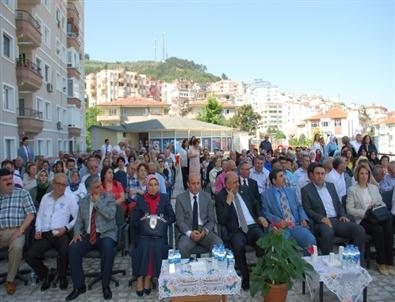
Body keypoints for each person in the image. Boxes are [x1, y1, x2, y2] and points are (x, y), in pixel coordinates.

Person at [66, 175, 118, 301]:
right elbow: (78, 221)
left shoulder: (109, 197)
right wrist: (77, 233)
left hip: (106, 233)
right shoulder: (83, 201)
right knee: (73, 249)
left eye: (100, 185)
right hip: (89, 235)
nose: (100, 188)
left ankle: (105, 285)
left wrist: (97, 203)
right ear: (89, 189)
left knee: (107, 249)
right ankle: (79, 286)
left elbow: (110, 215)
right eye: (96, 187)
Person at [215, 172, 268, 290]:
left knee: (263, 241)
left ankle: (263, 272)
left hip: (252, 226)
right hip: (236, 230)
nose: (237, 184)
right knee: (238, 246)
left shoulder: (245, 190)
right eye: (234, 183)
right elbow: (222, 220)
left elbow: (256, 205)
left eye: (237, 181)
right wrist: (228, 202)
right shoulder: (221, 196)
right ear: (226, 184)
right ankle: (245, 276)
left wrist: (260, 216)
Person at [25, 173, 78, 291]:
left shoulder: (70, 198)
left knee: (65, 250)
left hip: (61, 233)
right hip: (45, 233)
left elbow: (77, 218)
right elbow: (39, 215)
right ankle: (46, 274)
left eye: (64, 185)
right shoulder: (46, 197)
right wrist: (38, 229)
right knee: (29, 255)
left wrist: (66, 227)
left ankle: (63, 276)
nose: (61, 187)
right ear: (53, 183)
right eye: (59, 184)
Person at [301, 164, 366, 256]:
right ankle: (328, 264)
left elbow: (338, 204)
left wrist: (343, 215)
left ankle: (358, 262)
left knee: (359, 230)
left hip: (336, 220)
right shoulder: (306, 190)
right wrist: (321, 218)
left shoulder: (331, 186)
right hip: (321, 222)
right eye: (317, 173)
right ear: (312, 175)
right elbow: (307, 209)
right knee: (328, 232)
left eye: (322, 174)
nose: (320, 176)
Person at [131, 175, 175, 297]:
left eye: (156, 185)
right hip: (144, 234)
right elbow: (133, 220)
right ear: (147, 186)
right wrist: (143, 221)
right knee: (144, 245)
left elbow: (172, 216)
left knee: (157, 245)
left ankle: (149, 276)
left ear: (159, 186)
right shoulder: (140, 199)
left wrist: (162, 220)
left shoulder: (165, 198)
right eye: (150, 185)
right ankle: (140, 277)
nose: (153, 187)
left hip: (159, 235)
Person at [346, 165, 393, 275]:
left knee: (388, 227)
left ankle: (389, 262)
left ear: (369, 175)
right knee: (378, 229)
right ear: (357, 174)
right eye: (362, 173)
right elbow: (349, 209)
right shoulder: (352, 190)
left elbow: (382, 203)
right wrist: (365, 211)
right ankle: (381, 262)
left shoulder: (373, 187)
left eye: (366, 173)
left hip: (376, 215)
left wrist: (376, 206)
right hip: (364, 218)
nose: (364, 176)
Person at [261, 168, 316, 254]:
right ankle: (286, 266)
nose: (284, 178)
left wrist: (303, 218)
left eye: (284, 176)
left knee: (311, 240)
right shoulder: (266, 195)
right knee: (282, 246)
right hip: (280, 228)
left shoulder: (291, 191)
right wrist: (279, 221)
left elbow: (299, 206)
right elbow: (266, 212)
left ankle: (307, 263)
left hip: (295, 224)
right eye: (281, 176)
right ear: (274, 181)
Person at [0, 168, 36, 295]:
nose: (9, 182)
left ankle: (10, 280)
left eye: (11, 179)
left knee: (16, 246)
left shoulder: (22, 193)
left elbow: (31, 214)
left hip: (16, 230)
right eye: (5, 180)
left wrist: (21, 230)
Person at [175, 174, 222, 258]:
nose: (196, 186)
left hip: (204, 231)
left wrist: (204, 232)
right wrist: (190, 233)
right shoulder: (180, 199)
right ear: (188, 184)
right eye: (193, 183)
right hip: (188, 231)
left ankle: (214, 269)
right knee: (182, 248)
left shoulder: (207, 197)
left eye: (198, 183)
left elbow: (211, 220)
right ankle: (186, 270)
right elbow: (180, 221)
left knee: (218, 244)